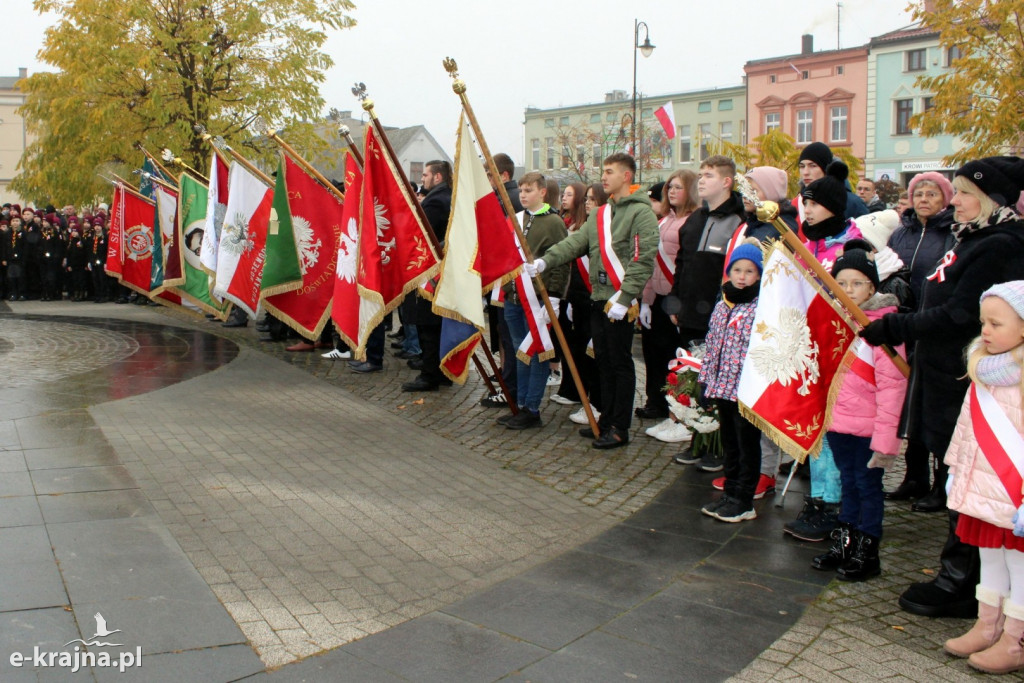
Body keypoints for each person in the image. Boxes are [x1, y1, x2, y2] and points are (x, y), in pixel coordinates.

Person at [860, 156, 1024, 619]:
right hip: (942, 371)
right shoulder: (972, 237)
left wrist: (897, 328)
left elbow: (960, 315)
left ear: (993, 199)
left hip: (967, 374)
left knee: (973, 475)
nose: (958, 200)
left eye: (967, 193)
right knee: (959, 471)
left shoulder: (1001, 246)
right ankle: (965, 575)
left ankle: (962, 580)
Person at [527, 153, 659, 449]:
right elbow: (576, 242)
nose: (604, 176)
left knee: (620, 364)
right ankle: (606, 418)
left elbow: (643, 257)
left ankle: (620, 427)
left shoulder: (642, 213)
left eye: (610, 171)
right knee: (604, 363)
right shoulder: (601, 214)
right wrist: (546, 262)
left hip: (619, 300)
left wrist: (626, 296)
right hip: (598, 298)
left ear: (626, 176)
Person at [942, 281, 1024, 675]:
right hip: (983, 489)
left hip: (1015, 493)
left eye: (996, 323)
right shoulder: (982, 367)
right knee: (990, 557)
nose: (985, 331)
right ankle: (987, 624)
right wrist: (955, 468)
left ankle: (1016, 640)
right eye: (983, 322)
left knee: (1019, 565)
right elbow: (966, 426)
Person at [811, 248, 907, 581]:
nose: (848, 290)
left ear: (872, 288)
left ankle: (868, 550)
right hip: (840, 425)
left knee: (868, 487)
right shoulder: (836, 324)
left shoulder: (884, 330)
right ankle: (845, 541)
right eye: (841, 283)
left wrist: (885, 442)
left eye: (857, 283)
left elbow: (893, 389)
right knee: (847, 483)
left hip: (869, 430)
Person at [784, 159, 865, 543]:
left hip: (842, 352)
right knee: (815, 423)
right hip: (810, 347)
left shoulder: (851, 245)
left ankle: (835, 503)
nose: (807, 208)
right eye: (805, 202)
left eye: (814, 202)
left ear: (833, 205)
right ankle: (818, 497)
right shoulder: (806, 242)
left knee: (835, 427)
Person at [666, 155, 747, 471]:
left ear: (726, 181)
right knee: (690, 381)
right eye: (700, 174)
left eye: (708, 175)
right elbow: (682, 264)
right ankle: (696, 439)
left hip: (719, 317)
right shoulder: (695, 220)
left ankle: (719, 447)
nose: (701, 180)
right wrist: (675, 301)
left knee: (716, 386)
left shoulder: (738, 222)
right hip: (689, 316)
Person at [884, 171, 956, 505]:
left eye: (932, 194)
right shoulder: (902, 233)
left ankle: (942, 482)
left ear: (946, 199)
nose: (924, 199)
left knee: (935, 405)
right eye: (919, 193)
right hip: (902, 323)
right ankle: (914, 477)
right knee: (909, 403)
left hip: (934, 326)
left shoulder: (952, 234)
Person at [697, 241, 764, 523]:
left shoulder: (760, 305)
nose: (742, 276)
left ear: (759, 276)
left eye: (749, 271)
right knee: (730, 443)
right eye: (737, 269)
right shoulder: (723, 303)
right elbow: (713, 344)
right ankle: (731, 491)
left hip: (746, 390)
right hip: (722, 387)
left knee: (747, 443)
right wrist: (705, 381)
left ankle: (744, 498)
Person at [496, 172, 568, 429]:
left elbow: (561, 261)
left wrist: (556, 296)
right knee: (519, 352)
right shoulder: (516, 219)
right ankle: (520, 403)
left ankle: (532, 407)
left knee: (537, 353)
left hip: (538, 299)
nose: (523, 195)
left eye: (529, 190)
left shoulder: (553, 222)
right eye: (522, 191)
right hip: (514, 297)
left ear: (542, 192)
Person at [640, 170, 697, 438]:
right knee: (654, 354)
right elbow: (652, 262)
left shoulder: (693, 221)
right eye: (669, 188)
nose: (671, 192)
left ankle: (676, 411)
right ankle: (657, 403)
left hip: (676, 299)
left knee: (675, 359)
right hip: (658, 298)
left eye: (678, 187)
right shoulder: (664, 221)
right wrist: (646, 301)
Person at [401, 160, 453, 391]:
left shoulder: (437, 201)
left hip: (432, 271)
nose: (422, 179)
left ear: (438, 177)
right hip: (436, 269)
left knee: (429, 324)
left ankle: (430, 374)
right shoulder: (441, 196)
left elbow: (422, 233)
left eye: (425, 175)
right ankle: (439, 371)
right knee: (432, 324)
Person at [565, 183, 609, 427]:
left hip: (599, 298)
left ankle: (598, 403)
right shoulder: (583, 228)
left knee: (597, 355)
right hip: (580, 299)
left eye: (593, 198)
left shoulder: (605, 229)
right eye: (587, 199)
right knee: (584, 351)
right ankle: (589, 400)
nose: (588, 202)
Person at [550, 182, 588, 407]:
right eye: (563, 194)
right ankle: (567, 385)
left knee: (577, 344)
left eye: (570, 195)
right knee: (565, 341)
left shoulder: (583, 227)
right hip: (565, 292)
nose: (564, 198)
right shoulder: (565, 223)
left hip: (578, 292)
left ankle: (576, 389)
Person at [795, 142, 869, 227]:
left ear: (826, 168)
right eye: (802, 166)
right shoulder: (797, 203)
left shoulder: (852, 203)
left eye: (813, 166)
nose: (805, 172)